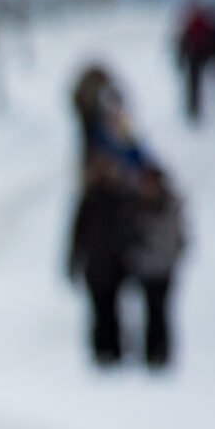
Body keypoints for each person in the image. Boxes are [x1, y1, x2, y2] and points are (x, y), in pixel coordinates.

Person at [68, 148, 147, 368]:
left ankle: (117, 352)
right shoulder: (90, 199)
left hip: (118, 266)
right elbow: (77, 234)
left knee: (116, 311)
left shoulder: (123, 198)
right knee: (99, 312)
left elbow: (134, 231)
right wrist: (74, 261)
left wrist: (133, 259)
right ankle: (101, 353)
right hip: (95, 266)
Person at [124, 162, 188, 371]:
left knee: (161, 311)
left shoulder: (170, 206)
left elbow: (180, 237)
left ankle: (161, 354)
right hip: (144, 265)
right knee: (147, 310)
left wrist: (173, 256)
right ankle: (148, 353)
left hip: (164, 266)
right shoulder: (136, 205)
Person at [175, 0, 215, 125]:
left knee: (194, 85)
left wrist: (182, 57)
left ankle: (193, 109)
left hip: (194, 58)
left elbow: (184, 42)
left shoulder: (192, 24)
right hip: (199, 58)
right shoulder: (202, 23)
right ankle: (195, 109)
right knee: (196, 85)